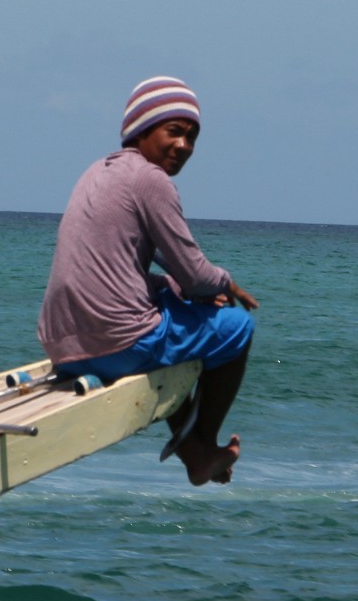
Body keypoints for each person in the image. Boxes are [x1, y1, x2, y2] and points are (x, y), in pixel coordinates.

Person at [37, 76, 257, 486]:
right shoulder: (150, 180)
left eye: (192, 138)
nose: (184, 147)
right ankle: (204, 447)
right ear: (140, 129)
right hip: (117, 346)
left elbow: (145, 263)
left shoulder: (97, 172)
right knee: (237, 329)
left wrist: (183, 290)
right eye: (174, 132)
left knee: (172, 313)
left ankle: (193, 452)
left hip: (63, 347)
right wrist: (225, 285)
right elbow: (193, 271)